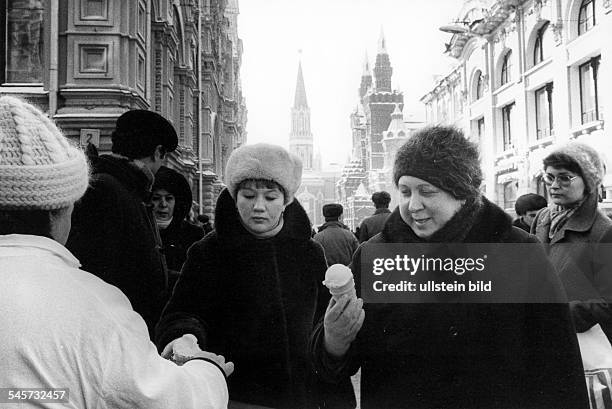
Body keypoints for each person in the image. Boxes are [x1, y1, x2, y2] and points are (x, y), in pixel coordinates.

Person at [311, 126, 588, 409]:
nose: (413, 205)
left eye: (426, 191)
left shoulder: (519, 252)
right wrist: (334, 341)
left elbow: (559, 366)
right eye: (405, 192)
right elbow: (333, 364)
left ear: (463, 193)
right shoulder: (375, 256)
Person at [0, 96, 231, 408]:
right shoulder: (91, 306)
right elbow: (165, 397)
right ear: (61, 206)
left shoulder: (124, 191)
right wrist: (209, 370)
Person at [156, 143, 341, 408]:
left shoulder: (309, 252)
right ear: (235, 197)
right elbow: (181, 313)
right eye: (249, 195)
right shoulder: (209, 252)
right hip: (235, 397)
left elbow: (323, 326)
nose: (258, 207)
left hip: (301, 397)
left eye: (270, 197)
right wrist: (184, 337)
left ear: (286, 200)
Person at [67, 109, 176, 338]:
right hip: (115, 336)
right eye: (163, 156)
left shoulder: (129, 188)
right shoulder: (107, 190)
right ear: (157, 152)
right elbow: (97, 273)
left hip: (130, 333)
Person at [531, 142, 612, 342]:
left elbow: (608, 302)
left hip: (579, 344)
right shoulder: (542, 218)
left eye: (565, 178)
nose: (554, 186)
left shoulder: (604, 231)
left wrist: (557, 313)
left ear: (589, 181)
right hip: (539, 337)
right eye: (549, 177)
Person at [151, 166, 205, 288]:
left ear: (176, 201)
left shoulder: (193, 234)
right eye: (156, 198)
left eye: (169, 198)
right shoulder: (140, 231)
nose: (163, 204)